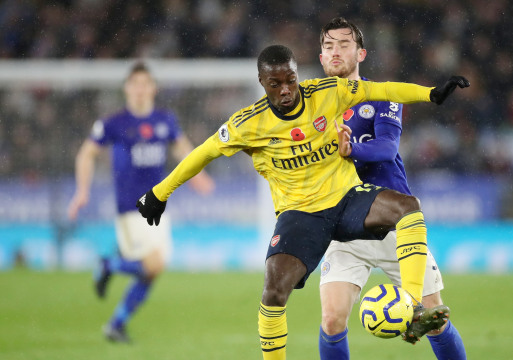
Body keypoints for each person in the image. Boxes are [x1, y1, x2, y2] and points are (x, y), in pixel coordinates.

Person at [135, 44, 468, 360]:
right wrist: (159, 193)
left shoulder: (325, 92)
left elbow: (381, 90)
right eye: (275, 83)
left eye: (290, 80)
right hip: (301, 216)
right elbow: (202, 153)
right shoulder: (248, 123)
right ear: (262, 83)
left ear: (297, 74)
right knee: (274, 291)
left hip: (348, 199)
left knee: (408, 207)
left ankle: (411, 306)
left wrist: (429, 95)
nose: (285, 90)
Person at [316, 18, 467, 360]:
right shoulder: (311, 108)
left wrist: (349, 149)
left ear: (361, 53)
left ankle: (416, 319)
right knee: (331, 318)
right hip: (344, 227)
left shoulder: (382, 95)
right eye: (328, 46)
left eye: (344, 44)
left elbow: (386, 147)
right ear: (322, 57)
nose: (335, 51)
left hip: (395, 223)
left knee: (432, 320)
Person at [67, 62, 214, 343]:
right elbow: (86, 154)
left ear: (153, 89)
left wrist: (199, 176)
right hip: (130, 207)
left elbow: (183, 148)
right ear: (126, 89)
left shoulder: (165, 120)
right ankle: (108, 265)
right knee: (154, 264)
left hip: (158, 205)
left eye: (145, 84)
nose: (140, 89)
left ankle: (116, 324)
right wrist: (82, 191)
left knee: (152, 271)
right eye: (135, 84)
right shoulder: (113, 123)